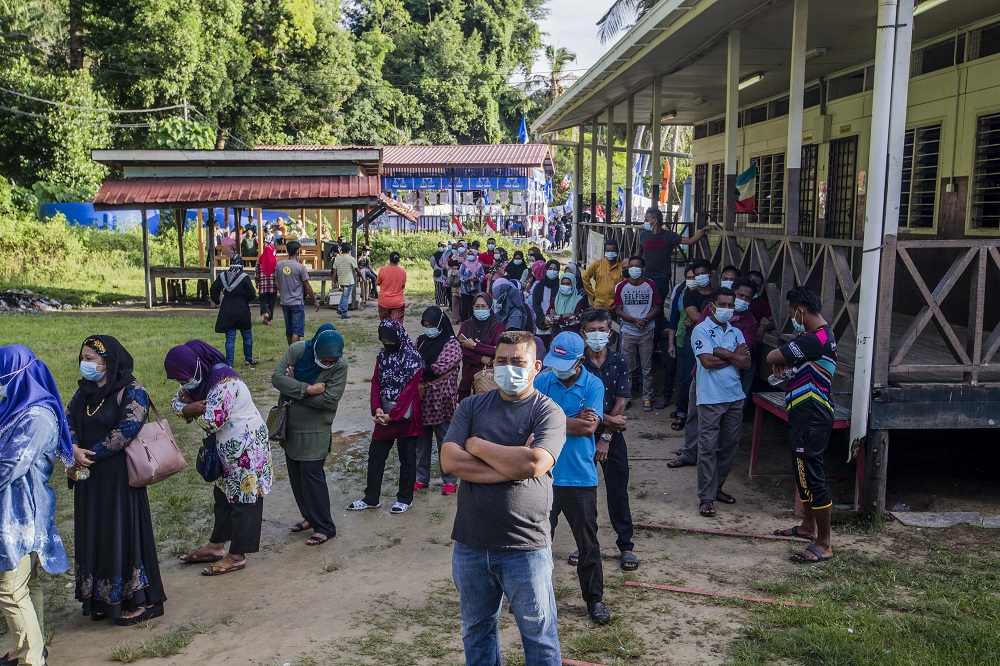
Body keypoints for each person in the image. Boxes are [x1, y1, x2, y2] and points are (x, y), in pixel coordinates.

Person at [440, 330, 566, 665]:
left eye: (518, 362)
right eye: (501, 361)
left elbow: (535, 462)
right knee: (477, 630)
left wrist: (477, 446)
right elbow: (450, 461)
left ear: (536, 366)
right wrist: (513, 464)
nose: (508, 368)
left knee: (539, 638)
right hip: (470, 544)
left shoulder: (548, 412)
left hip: (525, 547)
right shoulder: (471, 405)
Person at [67, 337, 167, 626]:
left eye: (91, 358)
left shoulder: (132, 391)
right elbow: (68, 419)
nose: (86, 364)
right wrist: (73, 449)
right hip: (89, 478)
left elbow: (128, 429)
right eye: (83, 357)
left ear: (109, 362)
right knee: (94, 533)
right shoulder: (83, 392)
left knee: (120, 533)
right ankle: (101, 600)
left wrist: (91, 454)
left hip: (119, 479)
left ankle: (142, 600)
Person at [167, 341, 273, 575]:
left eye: (184, 379)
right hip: (225, 448)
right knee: (223, 495)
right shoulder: (198, 376)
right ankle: (216, 546)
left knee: (245, 497)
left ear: (195, 366)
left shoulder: (225, 381)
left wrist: (189, 409)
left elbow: (212, 421)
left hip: (246, 446)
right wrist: (186, 407)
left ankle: (237, 555)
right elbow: (177, 401)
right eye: (179, 381)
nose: (183, 385)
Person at [1, 345, 71, 663]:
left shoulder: (37, 416)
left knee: (10, 589)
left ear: (16, 377)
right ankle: (32, 648)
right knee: (27, 585)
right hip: (16, 511)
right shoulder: (17, 408)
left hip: (20, 517)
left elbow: (8, 466)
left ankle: (33, 658)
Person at [535, 332, 610, 625]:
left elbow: (588, 429)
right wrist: (571, 419)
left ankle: (594, 600)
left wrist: (551, 419)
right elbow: (531, 417)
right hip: (544, 475)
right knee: (539, 544)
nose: (558, 368)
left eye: (564, 362)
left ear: (580, 360)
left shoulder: (593, 384)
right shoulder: (543, 380)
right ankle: (536, 596)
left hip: (580, 478)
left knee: (588, 544)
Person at [768, 287, 838, 564]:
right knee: (802, 474)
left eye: (791, 312)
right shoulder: (811, 338)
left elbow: (773, 355)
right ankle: (808, 527)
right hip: (802, 415)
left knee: (813, 477)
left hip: (813, 416)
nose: (791, 318)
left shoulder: (817, 339)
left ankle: (824, 543)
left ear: (801, 311)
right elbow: (784, 360)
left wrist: (779, 360)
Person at [669, 279, 759, 469]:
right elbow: (707, 357)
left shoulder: (749, 322)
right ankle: (689, 453)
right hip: (702, 375)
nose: (742, 300)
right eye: (740, 295)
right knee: (694, 416)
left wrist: (725, 353)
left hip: (729, 382)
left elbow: (745, 358)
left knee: (722, 427)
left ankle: (710, 459)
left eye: (746, 298)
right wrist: (733, 357)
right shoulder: (708, 315)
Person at [271, 325, 347, 547]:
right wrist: (308, 389)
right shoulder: (298, 350)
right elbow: (276, 378)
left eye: (332, 361)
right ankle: (309, 517)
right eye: (325, 360)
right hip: (290, 425)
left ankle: (325, 527)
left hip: (316, 429)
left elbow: (329, 400)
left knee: (312, 476)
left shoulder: (340, 366)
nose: (329, 364)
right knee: (296, 474)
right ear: (316, 350)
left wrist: (294, 388)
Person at [579, 309, 637, 571]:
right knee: (583, 493)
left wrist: (606, 434)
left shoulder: (620, 361)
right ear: (583, 333)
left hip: (610, 438)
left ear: (610, 333)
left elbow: (621, 400)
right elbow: (576, 405)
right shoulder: (576, 362)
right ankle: (584, 544)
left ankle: (626, 546)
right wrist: (608, 420)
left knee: (617, 492)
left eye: (602, 330)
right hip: (581, 435)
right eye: (592, 330)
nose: (597, 335)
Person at [348, 320, 424, 514]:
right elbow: (376, 381)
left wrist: (395, 415)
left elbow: (409, 391)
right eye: (383, 341)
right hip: (385, 414)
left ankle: (405, 498)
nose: (387, 345)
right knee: (376, 455)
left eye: (391, 341)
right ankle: (371, 498)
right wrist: (377, 409)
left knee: (407, 457)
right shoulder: (382, 356)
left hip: (406, 415)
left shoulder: (413, 359)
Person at [690, 288, 750, 518]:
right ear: (712, 306)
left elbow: (746, 362)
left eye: (730, 304)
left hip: (734, 396)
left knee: (730, 444)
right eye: (722, 304)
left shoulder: (736, 332)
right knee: (707, 447)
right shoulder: (701, 330)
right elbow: (706, 361)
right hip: (710, 397)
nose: (726, 308)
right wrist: (733, 356)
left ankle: (718, 487)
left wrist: (724, 353)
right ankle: (706, 496)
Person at [414, 307, 462, 495]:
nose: (428, 329)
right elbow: (410, 359)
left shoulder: (451, 344)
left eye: (432, 325)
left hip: (441, 400)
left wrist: (418, 369)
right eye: (425, 325)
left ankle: (450, 479)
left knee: (445, 440)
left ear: (440, 324)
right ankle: (421, 478)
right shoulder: (420, 341)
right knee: (421, 442)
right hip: (421, 399)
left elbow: (439, 367)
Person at [614, 256, 662, 412]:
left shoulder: (651, 285)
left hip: (646, 331)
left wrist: (646, 319)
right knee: (626, 366)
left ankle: (647, 397)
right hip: (628, 330)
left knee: (647, 367)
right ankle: (625, 397)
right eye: (631, 266)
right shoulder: (621, 286)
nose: (634, 268)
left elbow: (657, 307)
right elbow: (618, 310)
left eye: (637, 266)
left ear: (643, 269)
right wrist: (634, 320)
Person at [672, 259, 714, 430]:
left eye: (703, 273)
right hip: (693, 340)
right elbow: (696, 317)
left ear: (710, 274)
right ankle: (682, 412)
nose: (700, 277)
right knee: (688, 378)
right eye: (697, 275)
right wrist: (708, 319)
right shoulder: (690, 294)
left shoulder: (718, 294)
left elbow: (698, 318)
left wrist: (699, 318)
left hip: (713, 342)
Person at [211, 244, 258, 368]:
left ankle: (229, 363)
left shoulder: (222, 276)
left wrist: (216, 301)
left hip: (227, 308)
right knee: (247, 334)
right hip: (242, 309)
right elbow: (252, 294)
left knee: (230, 337)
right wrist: (245, 300)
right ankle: (248, 359)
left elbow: (214, 289)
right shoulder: (244, 277)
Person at [456, 293, 505, 401]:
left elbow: (497, 350)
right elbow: (459, 349)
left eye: (484, 306)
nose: (480, 309)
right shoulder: (466, 324)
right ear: (472, 307)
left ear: (490, 307)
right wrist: (480, 358)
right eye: (477, 306)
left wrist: (474, 345)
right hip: (468, 375)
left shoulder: (498, 326)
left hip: (487, 377)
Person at [276, 241, 320, 345]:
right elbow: (307, 287)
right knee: (297, 331)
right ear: (297, 251)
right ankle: (295, 353)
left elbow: (276, 281)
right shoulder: (300, 267)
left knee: (289, 330)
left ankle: (290, 351)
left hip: (285, 301)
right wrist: (314, 300)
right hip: (296, 302)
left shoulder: (279, 265)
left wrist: (283, 291)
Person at [581, 239, 625, 310]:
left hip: (615, 305)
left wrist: (618, 302)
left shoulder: (621, 267)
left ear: (617, 251)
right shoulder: (597, 264)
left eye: (613, 251)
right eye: (608, 251)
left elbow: (624, 286)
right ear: (604, 251)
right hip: (599, 303)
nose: (610, 253)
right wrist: (592, 295)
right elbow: (585, 278)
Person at [533, 259, 562, 348]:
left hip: (557, 323)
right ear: (546, 270)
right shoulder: (539, 286)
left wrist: (555, 318)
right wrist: (543, 318)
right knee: (542, 347)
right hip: (542, 323)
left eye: (555, 269)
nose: (552, 271)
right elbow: (536, 304)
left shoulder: (561, 286)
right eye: (550, 268)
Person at [376, 251, 407, 323]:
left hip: (384, 302)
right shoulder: (402, 271)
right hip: (398, 302)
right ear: (399, 260)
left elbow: (378, 283)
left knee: (385, 324)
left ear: (389, 259)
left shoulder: (382, 270)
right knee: (396, 326)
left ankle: (385, 334)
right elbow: (402, 285)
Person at [333, 242, 359, 320]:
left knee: (344, 295)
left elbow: (334, 271)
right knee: (346, 297)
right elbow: (357, 270)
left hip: (341, 280)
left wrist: (333, 282)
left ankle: (340, 308)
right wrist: (362, 278)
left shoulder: (337, 258)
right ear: (349, 251)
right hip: (349, 280)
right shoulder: (351, 259)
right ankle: (344, 313)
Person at [458, 250, 486, 322]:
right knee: (465, 306)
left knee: (474, 305)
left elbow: (482, 275)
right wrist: (467, 278)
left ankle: (474, 320)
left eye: (472, 254)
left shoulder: (479, 265)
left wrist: (477, 279)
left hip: (475, 289)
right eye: (469, 254)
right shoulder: (464, 264)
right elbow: (460, 275)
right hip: (465, 289)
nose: (470, 255)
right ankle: (465, 321)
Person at [256, 243, 278, 326]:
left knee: (264, 302)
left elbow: (256, 273)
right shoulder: (276, 260)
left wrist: (257, 282)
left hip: (262, 287)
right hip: (273, 287)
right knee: (271, 303)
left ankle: (265, 313)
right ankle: (269, 319)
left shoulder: (259, 260)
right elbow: (278, 274)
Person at [432, 241, 449, 307]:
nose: (442, 247)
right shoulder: (435, 255)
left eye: (443, 246)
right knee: (438, 289)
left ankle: (445, 302)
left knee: (445, 289)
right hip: (438, 274)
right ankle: (438, 302)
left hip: (446, 274)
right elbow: (432, 263)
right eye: (440, 246)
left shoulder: (447, 254)